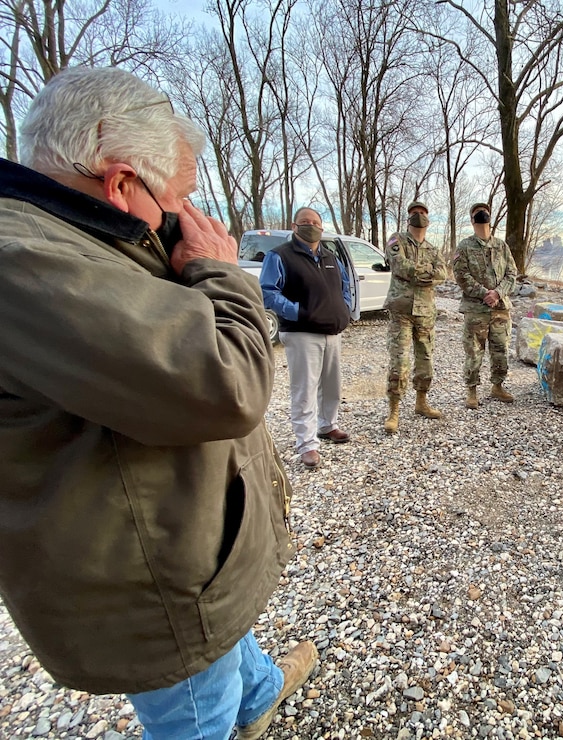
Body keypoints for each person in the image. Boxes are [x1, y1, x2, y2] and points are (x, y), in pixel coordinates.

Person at [0, 67, 316, 740]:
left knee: (222, 635)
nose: (189, 221)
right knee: (191, 707)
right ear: (120, 183)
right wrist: (219, 272)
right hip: (146, 576)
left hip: (188, 546)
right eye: (180, 199)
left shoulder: (82, 232)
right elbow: (228, 384)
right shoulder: (24, 258)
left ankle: (257, 695)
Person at [261, 207, 353, 468]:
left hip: (332, 332)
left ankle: (328, 425)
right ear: (294, 226)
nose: (310, 226)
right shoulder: (279, 255)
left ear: (322, 227)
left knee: (332, 385)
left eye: (315, 222)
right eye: (305, 222)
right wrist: (299, 312)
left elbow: (344, 286)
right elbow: (268, 292)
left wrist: (344, 309)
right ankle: (307, 443)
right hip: (301, 333)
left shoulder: (330, 256)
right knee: (305, 389)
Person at [383, 200, 447, 433]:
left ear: (428, 219)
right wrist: (426, 273)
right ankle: (394, 411)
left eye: (422, 213)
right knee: (399, 363)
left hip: (426, 313)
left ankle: (421, 403)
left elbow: (443, 273)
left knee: (426, 361)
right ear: (408, 217)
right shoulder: (396, 240)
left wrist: (420, 273)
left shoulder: (433, 248)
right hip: (402, 311)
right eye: (414, 213)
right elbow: (400, 266)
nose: (418, 215)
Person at [452, 202, 518, 408]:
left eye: (485, 211)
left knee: (500, 350)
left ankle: (497, 386)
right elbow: (461, 275)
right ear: (472, 220)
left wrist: (498, 293)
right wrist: (484, 294)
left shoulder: (501, 245)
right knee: (474, 351)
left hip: (500, 308)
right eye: (477, 213)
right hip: (476, 309)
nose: (482, 214)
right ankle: (471, 391)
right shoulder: (464, 246)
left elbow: (512, 273)